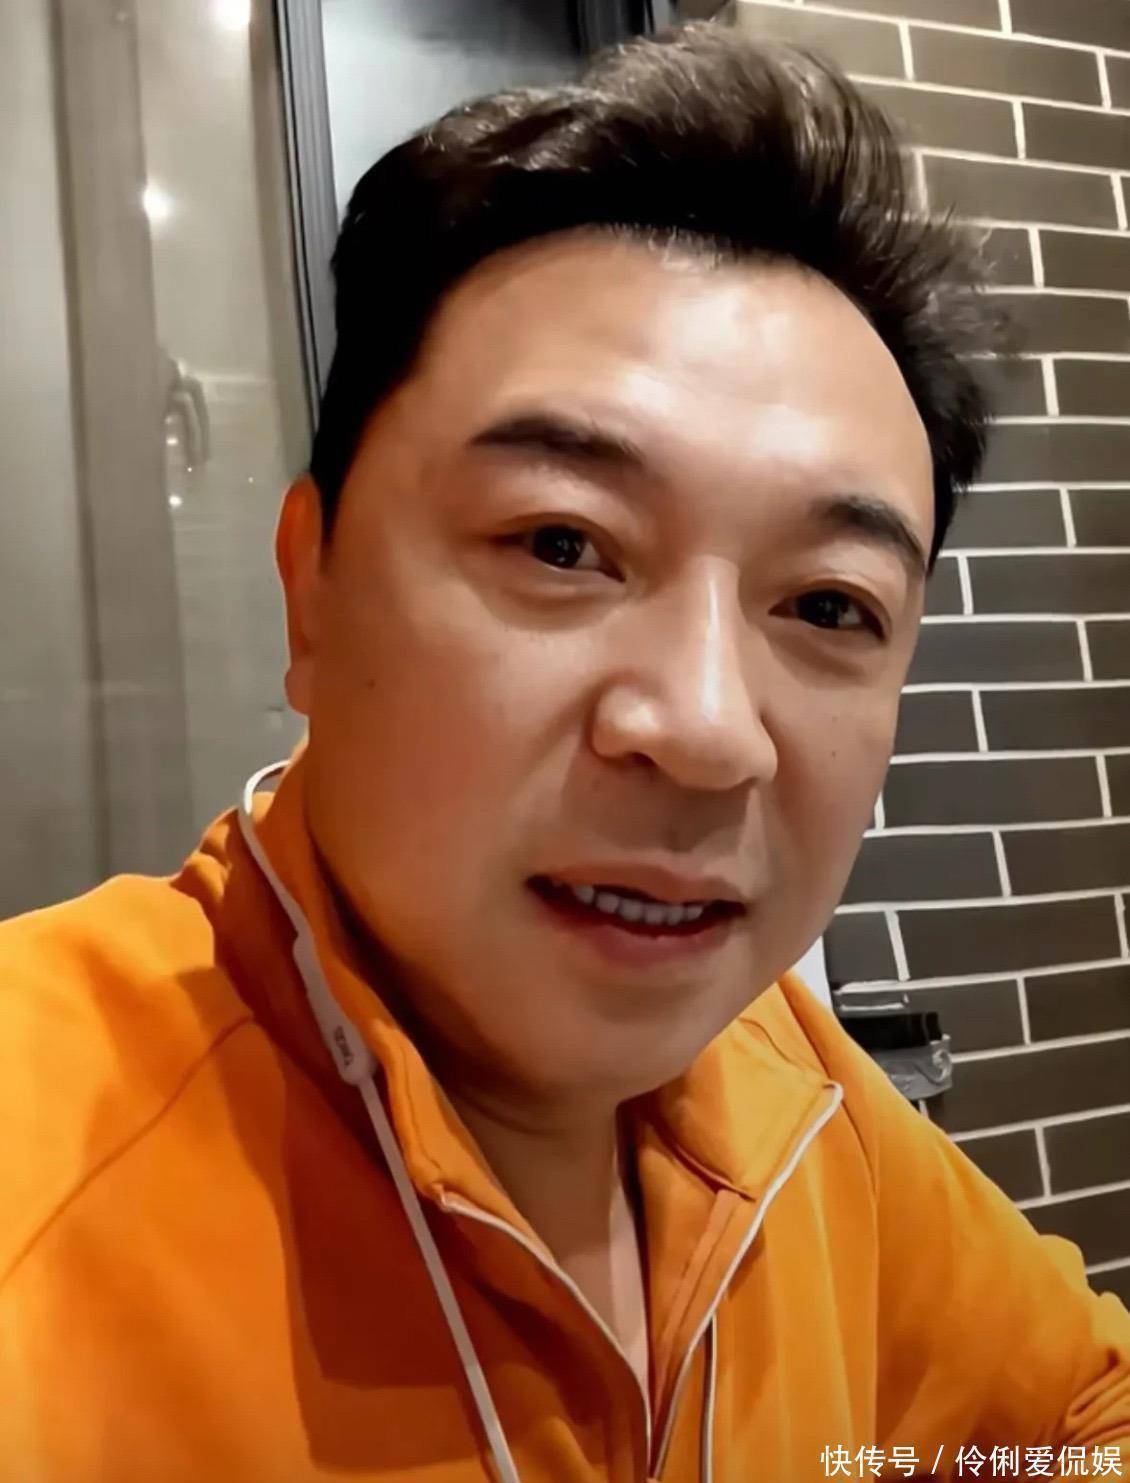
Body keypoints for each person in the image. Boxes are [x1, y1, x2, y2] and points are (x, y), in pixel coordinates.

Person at [1, 23, 1127, 1483]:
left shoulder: (784, 1084)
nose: (708, 731)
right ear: (310, 588)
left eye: (827, 607)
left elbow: (1076, 1425)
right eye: (559, 544)